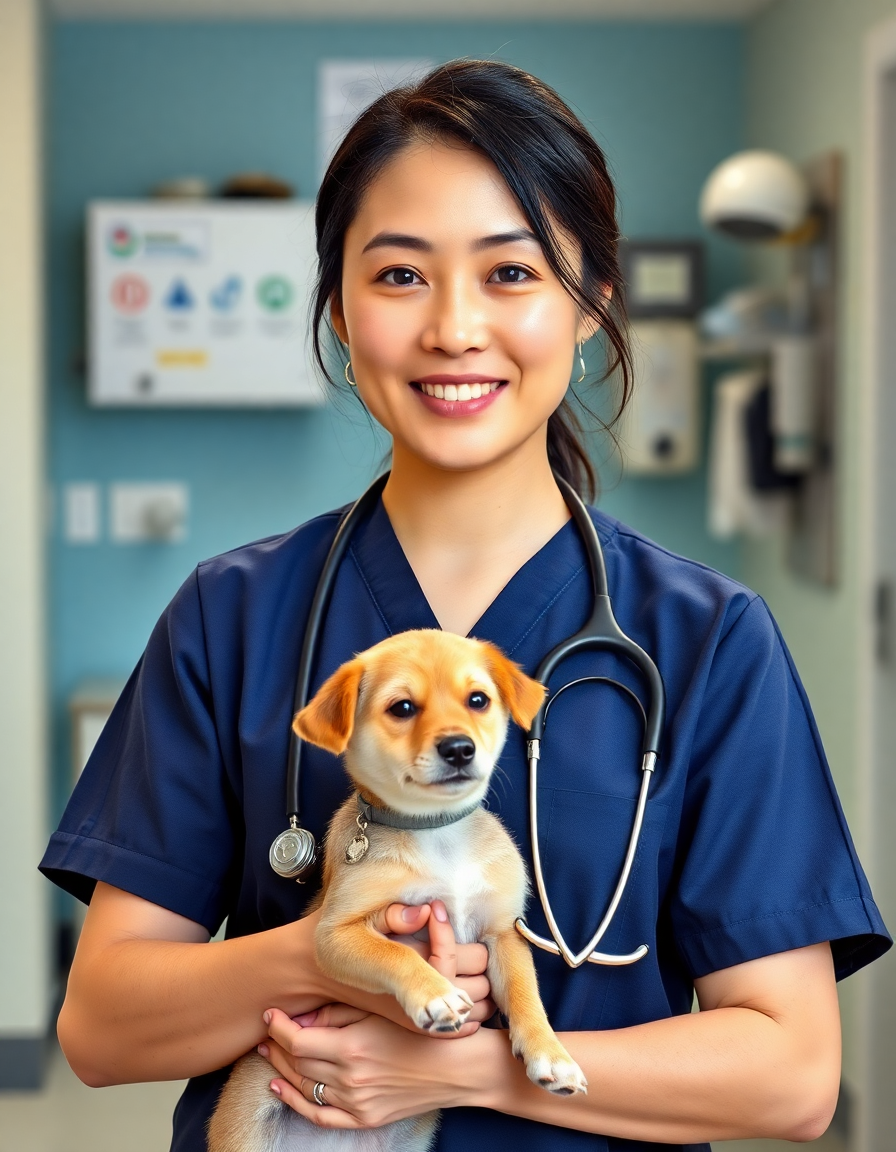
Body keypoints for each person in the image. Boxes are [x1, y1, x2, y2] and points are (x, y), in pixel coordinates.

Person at [41, 59, 890, 1152]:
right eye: (398, 276)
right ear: (339, 310)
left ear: (590, 305)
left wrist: (469, 1070)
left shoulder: (705, 641)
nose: (452, 328)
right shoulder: (230, 616)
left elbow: (789, 1077)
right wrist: (319, 952)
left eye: (510, 274)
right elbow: (104, 1028)